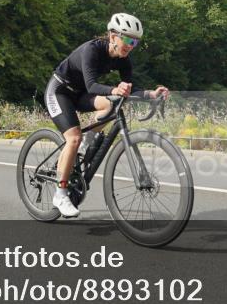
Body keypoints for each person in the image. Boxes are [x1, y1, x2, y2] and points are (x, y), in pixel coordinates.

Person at [44, 13, 169, 218]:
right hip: (60, 91)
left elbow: (130, 89)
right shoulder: (91, 50)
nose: (131, 45)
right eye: (127, 39)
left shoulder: (124, 60)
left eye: (135, 41)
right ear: (112, 36)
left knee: (112, 105)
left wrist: (150, 94)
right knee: (73, 137)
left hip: (81, 95)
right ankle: (60, 193)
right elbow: (92, 85)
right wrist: (114, 89)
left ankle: (86, 141)